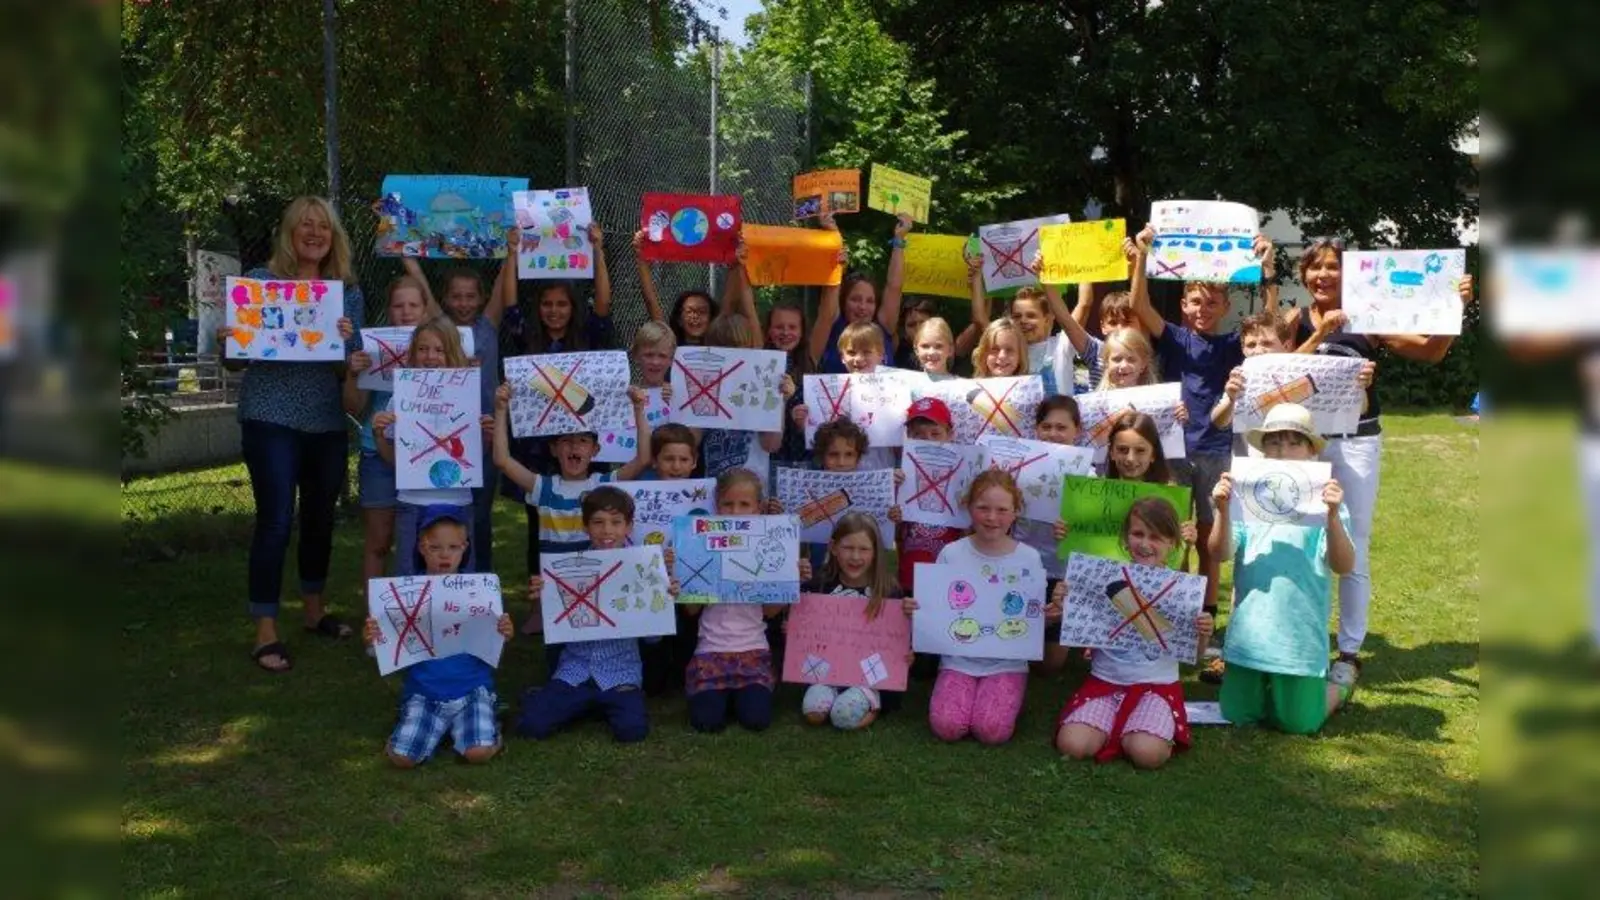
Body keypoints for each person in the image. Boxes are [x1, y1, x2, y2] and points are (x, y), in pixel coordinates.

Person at [1284, 237, 1474, 686]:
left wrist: (1453, 307)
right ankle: (1301, 640)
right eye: (1315, 268)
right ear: (1304, 275)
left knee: (1354, 544)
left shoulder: (1368, 317)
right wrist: (1319, 333)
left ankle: (1348, 652)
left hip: (1356, 442)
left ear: (1349, 274)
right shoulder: (1294, 319)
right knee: (1298, 542)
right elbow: (1277, 368)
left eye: (1333, 267)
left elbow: (1431, 350)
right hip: (1300, 445)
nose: (1323, 275)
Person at [220, 196, 364, 673]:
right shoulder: (262, 285)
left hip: (325, 419)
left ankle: (314, 610)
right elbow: (237, 361)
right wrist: (231, 340)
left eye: (322, 226)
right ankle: (265, 628)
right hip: (270, 415)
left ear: (333, 236)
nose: (314, 233)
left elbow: (352, 372)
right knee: (277, 520)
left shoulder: (347, 294)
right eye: (304, 225)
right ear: (288, 232)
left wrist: (346, 344)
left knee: (320, 518)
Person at [1209, 404, 1356, 734]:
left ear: (1309, 451)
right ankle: (1266, 686)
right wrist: (1221, 509)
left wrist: (1332, 517)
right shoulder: (1245, 498)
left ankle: (1339, 688)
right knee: (1238, 714)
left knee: (1299, 723)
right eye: (1274, 443)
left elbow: (1344, 565)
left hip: (1298, 640)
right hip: (1250, 636)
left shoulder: (1325, 502)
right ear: (1263, 451)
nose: (1283, 451)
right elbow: (1219, 554)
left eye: (1294, 443)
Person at [492, 381, 654, 666]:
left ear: (595, 449)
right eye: (566, 441)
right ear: (554, 449)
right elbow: (503, 461)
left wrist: (639, 409)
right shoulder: (543, 487)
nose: (574, 446)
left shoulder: (603, 485)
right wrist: (501, 409)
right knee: (558, 658)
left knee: (598, 631)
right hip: (556, 586)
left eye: (582, 441)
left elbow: (642, 458)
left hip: (597, 580)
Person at [1056, 497, 1214, 769]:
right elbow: (1081, 630)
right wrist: (1065, 602)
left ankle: (1143, 727)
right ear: (1125, 537)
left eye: (1156, 537)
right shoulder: (1104, 577)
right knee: (1072, 745)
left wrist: (1203, 634)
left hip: (1156, 687)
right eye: (1138, 534)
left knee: (1146, 753)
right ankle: (1116, 724)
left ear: (1172, 544)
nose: (1144, 544)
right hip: (1105, 682)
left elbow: (1194, 656)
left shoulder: (1181, 591)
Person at [910, 470, 1063, 745]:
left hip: (1008, 662)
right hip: (958, 660)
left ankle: (1004, 696)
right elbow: (936, 607)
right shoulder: (951, 553)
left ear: (1016, 512)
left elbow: (1031, 618)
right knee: (947, 726)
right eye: (983, 508)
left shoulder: (1028, 558)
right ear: (969, 508)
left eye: (1002, 510)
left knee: (992, 730)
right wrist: (919, 609)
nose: (992, 518)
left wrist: (1049, 617)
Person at [516, 487, 676, 743]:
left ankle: (591, 704)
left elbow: (653, 639)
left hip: (621, 673)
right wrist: (542, 597)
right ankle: (555, 698)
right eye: (598, 522)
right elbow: (556, 624)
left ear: (629, 526)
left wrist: (661, 601)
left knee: (632, 731)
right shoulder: (566, 569)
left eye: (616, 522)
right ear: (585, 526)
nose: (607, 531)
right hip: (574, 670)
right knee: (531, 725)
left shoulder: (644, 569)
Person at [401, 230, 517, 572]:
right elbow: (421, 287)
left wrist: (511, 252)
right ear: (446, 299)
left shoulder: (489, 325)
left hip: (485, 430)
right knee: (448, 512)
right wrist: (409, 259)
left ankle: (480, 581)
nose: (463, 303)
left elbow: (501, 287)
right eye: (456, 297)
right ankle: (434, 574)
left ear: (480, 299)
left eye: (470, 297)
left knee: (479, 515)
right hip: (447, 433)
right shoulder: (441, 327)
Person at [362, 506, 514, 767]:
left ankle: (487, 729)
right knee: (402, 759)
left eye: (453, 547)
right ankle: (422, 729)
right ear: (422, 547)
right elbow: (383, 648)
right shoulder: (404, 594)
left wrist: (504, 631)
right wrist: (372, 637)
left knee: (477, 753)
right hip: (425, 692)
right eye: (436, 547)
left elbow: (494, 640)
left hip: (471, 690)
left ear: (465, 548)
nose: (445, 555)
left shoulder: (479, 591)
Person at [683, 469, 809, 733]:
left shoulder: (768, 547)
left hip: (753, 650)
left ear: (758, 508)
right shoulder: (702, 544)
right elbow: (691, 609)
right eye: (728, 504)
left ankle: (741, 695)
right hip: (710, 650)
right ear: (717, 507)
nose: (736, 512)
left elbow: (771, 612)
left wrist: (790, 580)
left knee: (756, 720)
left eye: (744, 505)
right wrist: (686, 577)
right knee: (706, 722)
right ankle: (719, 696)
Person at [371, 317, 495, 575]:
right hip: (412, 500)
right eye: (423, 349)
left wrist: (486, 436)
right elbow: (395, 460)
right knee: (409, 574)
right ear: (413, 354)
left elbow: (476, 454)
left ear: (452, 355)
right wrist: (380, 435)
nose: (431, 356)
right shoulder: (400, 397)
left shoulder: (468, 397)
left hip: (458, 500)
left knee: (461, 576)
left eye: (440, 350)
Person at [342, 275, 438, 586]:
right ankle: (375, 622)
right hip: (377, 454)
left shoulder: (438, 350)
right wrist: (352, 375)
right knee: (379, 543)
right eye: (399, 305)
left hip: (426, 457)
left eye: (414, 305)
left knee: (426, 543)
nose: (406, 312)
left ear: (426, 310)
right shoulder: (372, 350)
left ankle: (422, 615)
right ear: (389, 310)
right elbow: (353, 408)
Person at [798, 513, 912, 730]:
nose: (855, 556)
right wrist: (794, 631)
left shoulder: (889, 591)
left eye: (864, 549)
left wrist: (906, 653)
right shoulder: (819, 585)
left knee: (843, 718)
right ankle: (834, 695)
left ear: (875, 552)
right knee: (813, 714)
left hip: (868, 677)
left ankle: (873, 705)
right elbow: (802, 631)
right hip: (827, 671)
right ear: (833, 548)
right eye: (848, 548)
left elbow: (898, 644)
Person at [1020, 395, 1084, 674]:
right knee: (1016, 651)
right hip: (1023, 570)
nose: (1053, 434)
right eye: (1046, 427)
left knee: (1049, 666)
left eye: (1062, 427)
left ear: (1076, 431)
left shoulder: (1089, 477)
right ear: (1036, 430)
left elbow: (1096, 541)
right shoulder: (1017, 469)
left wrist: (1075, 532)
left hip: (1062, 577)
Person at [810, 212, 905, 373]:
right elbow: (831, 290)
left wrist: (899, 239)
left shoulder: (883, 327)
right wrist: (833, 233)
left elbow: (894, 287)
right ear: (843, 301)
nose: (862, 306)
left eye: (870, 301)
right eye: (855, 299)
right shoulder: (832, 326)